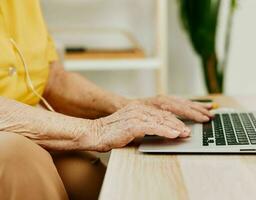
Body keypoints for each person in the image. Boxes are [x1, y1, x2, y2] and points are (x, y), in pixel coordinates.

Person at [0, 1, 213, 200]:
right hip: (13, 142)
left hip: (27, 124)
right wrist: (96, 130)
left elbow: (51, 78)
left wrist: (131, 109)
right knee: (18, 157)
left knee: (99, 177)